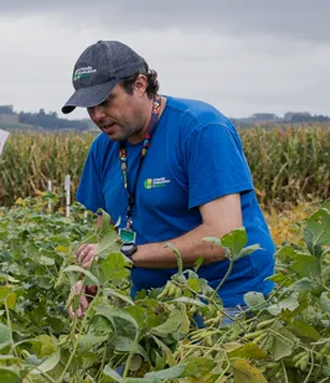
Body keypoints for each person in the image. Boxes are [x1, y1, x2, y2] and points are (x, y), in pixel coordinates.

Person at [64, 40, 276, 317]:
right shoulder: (104, 149)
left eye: (106, 101)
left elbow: (223, 238)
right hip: (153, 298)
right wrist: (90, 277)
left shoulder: (200, 129)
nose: (97, 115)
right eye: (89, 107)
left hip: (224, 296)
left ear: (140, 85)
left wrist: (126, 255)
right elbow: (107, 234)